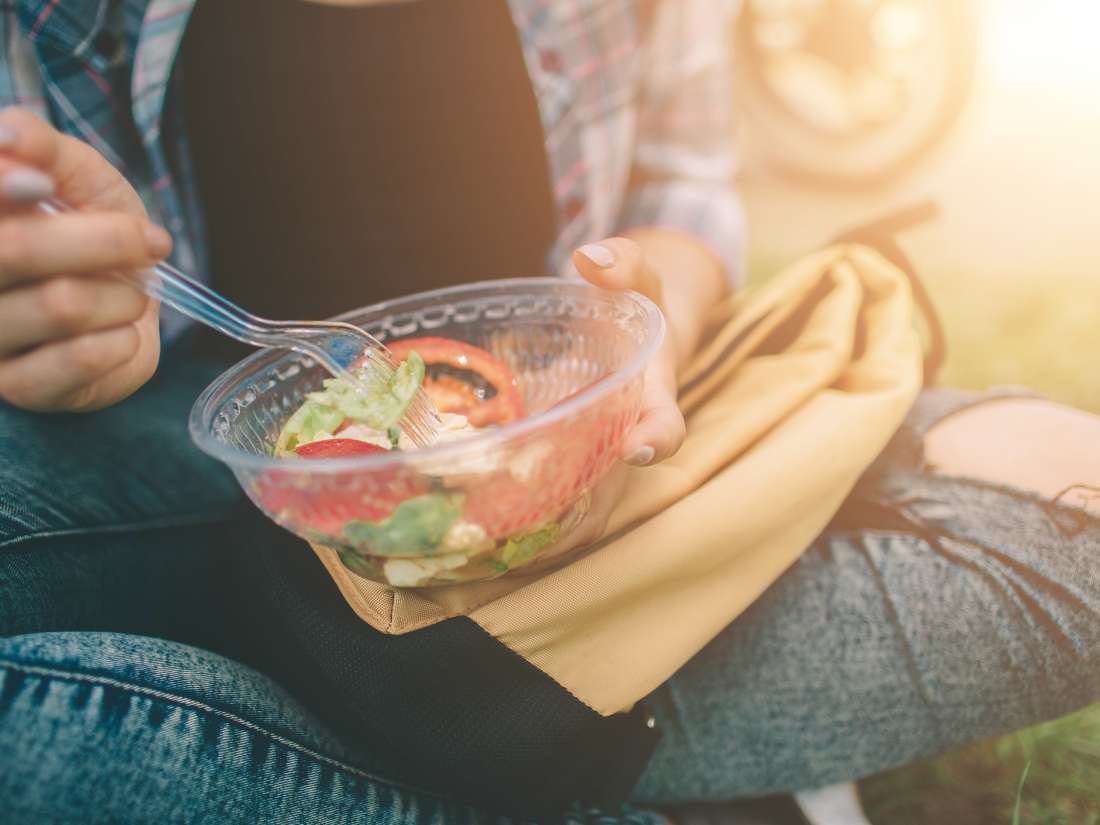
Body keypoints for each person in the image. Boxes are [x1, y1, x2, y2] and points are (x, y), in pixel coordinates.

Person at [1, 1, 1099, 822]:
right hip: (185, 446)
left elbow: (680, 196)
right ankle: (617, 767)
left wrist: (654, 309)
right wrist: (54, 325)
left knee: (1070, 514)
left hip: (592, 432)